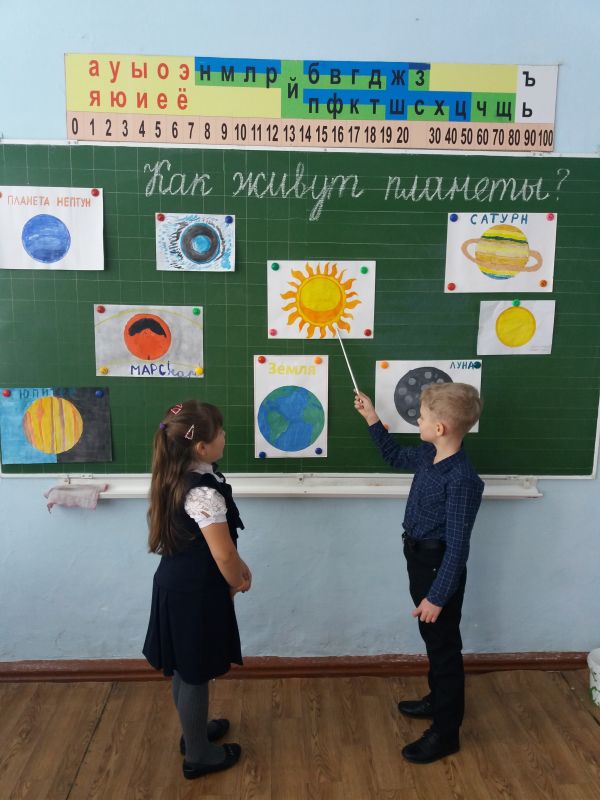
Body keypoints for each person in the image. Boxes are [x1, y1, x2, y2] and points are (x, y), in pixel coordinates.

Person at [354, 383, 483, 764]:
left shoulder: (462, 479)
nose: (418, 422)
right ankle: (436, 700)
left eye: (422, 417)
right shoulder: (429, 454)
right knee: (433, 639)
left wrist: (437, 596)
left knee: (444, 649)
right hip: (419, 560)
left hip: (438, 567)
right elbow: (394, 455)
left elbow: (458, 548)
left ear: (440, 428)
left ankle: (446, 732)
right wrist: (372, 418)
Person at [142, 400, 252, 780]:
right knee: (195, 673)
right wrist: (237, 579)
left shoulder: (178, 475)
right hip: (195, 594)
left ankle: (194, 732)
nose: (225, 435)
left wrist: (237, 564)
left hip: (178, 585)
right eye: (219, 432)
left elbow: (219, 546)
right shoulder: (203, 493)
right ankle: (199, 755)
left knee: (185, 668)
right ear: (202, 447)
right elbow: (222, 554)